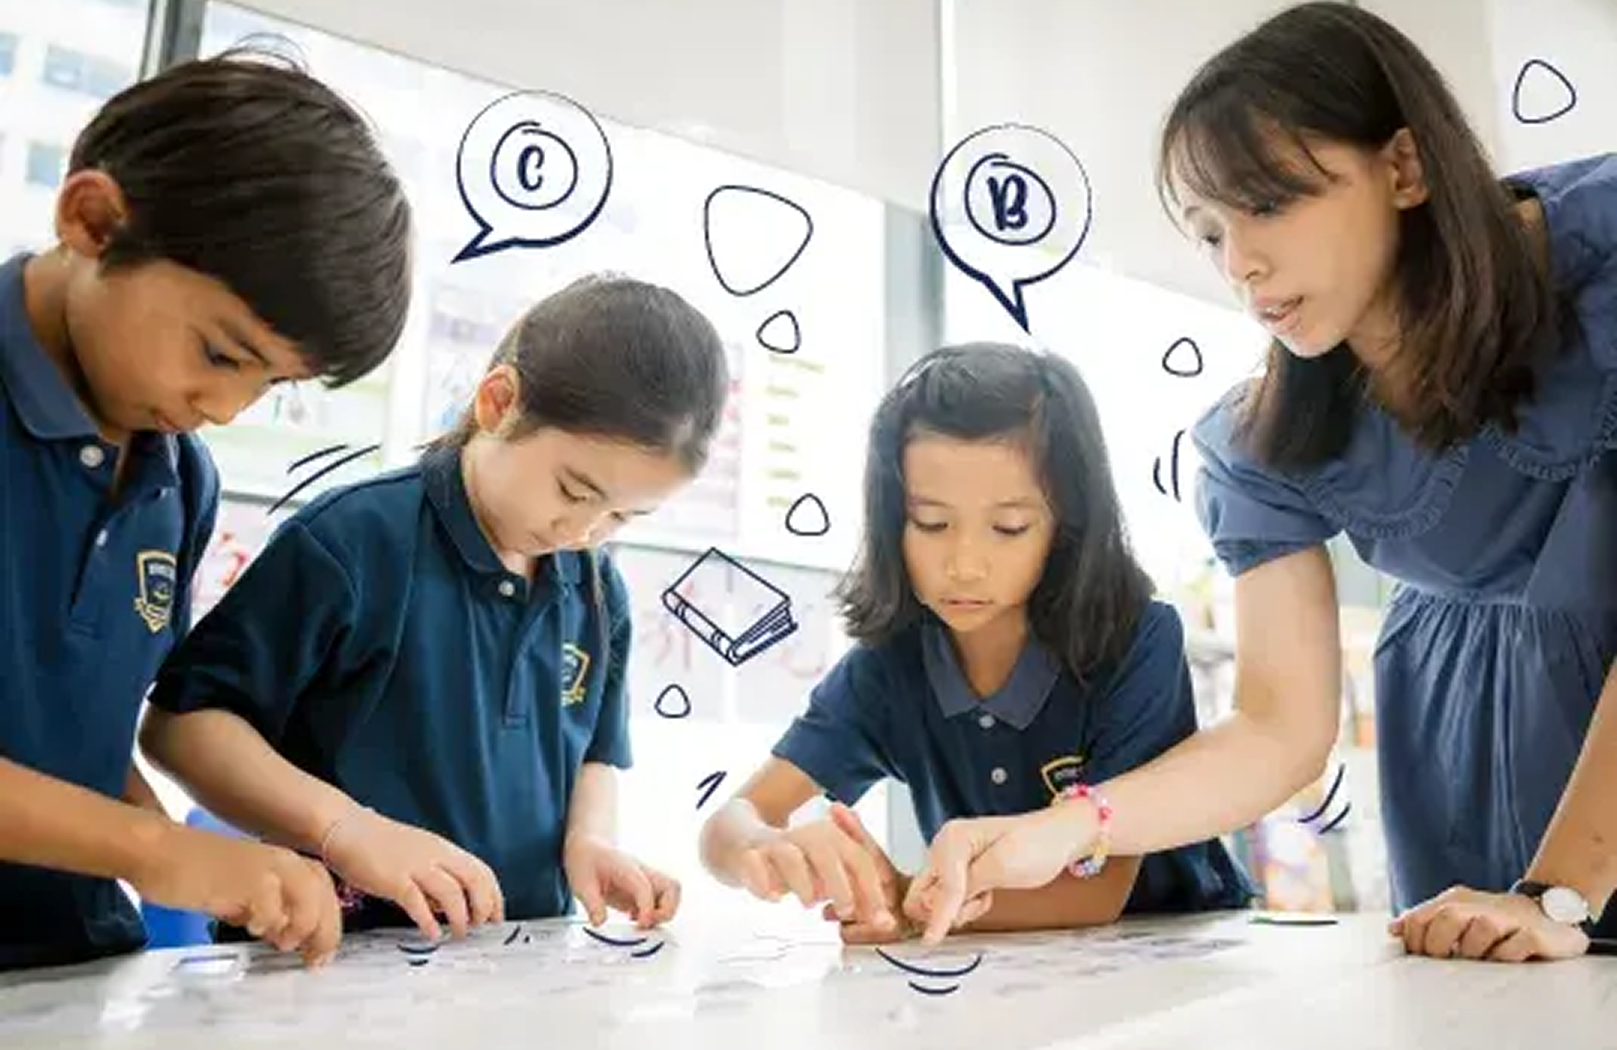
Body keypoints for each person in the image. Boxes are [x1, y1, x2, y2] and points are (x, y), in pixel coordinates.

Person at [900, 2, 1617, 964]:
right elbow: (1277, 730)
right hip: (1465, 736)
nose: (1240, 264)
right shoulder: (1263, 440)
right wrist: (1065, 828)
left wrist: (1559, 888)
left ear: (1402, 167)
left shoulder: (1601, 258)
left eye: (1270, 203)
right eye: (1206, 233)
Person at [140, 274, 729, 943]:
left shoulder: (597, 590)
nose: (584, 530)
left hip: (514, 963)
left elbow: (594, 752)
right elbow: (182, 728)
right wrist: (347, 830)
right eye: (574, 488)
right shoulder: (351, 541)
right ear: (499, 403)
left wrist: (589, 843)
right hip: (326, 960)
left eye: (624, 514)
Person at [0, 47, 413, 972]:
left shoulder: (179, 481)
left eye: (274, 385)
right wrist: (156, 851)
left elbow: (81, 739)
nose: (224, 410)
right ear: (94, 220)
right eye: (223, 355)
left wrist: (226, 867)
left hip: (73, 972)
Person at [699, 344, 1252, 943]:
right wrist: (763, 846)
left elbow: (1097, 891)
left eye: (1009, 528)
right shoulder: (887, 671)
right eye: (932, 523)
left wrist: (902, 897)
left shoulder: (1136, 641)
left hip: (1185, 946)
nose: (964, 565)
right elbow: (727, 826)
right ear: (893, 523)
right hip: (997, 963)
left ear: (1066, 524)